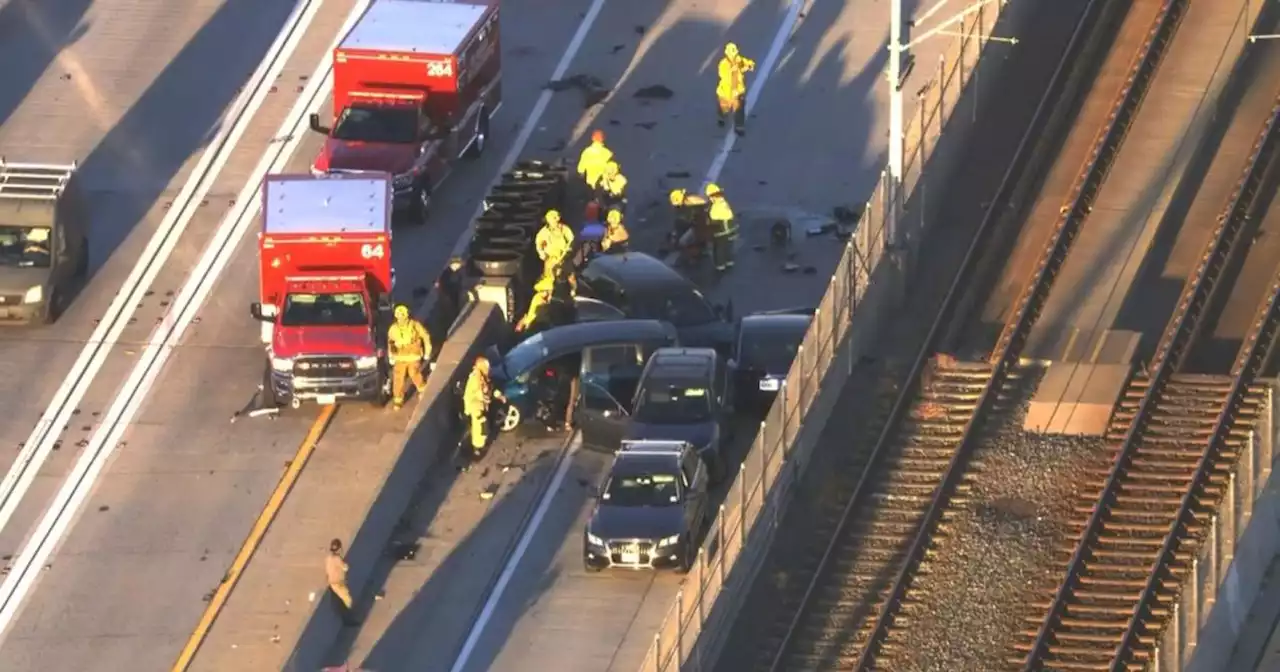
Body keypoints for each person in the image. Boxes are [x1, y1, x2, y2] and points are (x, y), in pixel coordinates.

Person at [387, 304, 433, 409]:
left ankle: (422, 390)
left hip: (413, 355)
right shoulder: (393, 328)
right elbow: (390, 342)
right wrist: (390, 355)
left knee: (414, 373)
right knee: (399, 378)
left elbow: (425, 336)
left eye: (402, 315)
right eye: (399, 315)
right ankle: (398, 400)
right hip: (399, 357)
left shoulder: (415, 325)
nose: (401, 318)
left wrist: (427, 352)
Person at [463, 354, 506, 455]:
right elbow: (480, 393)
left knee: (482, 427)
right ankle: (478, 448)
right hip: (476, 407)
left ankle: (480, 445)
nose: (488, 369)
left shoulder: (482, 377)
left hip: (480, 405)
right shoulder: (475, 379)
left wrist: (498, 395)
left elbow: (489, 389)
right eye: (486, 367)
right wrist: (488, 398)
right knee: (479, 428)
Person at [717, 42, 756, 134]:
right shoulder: (723, 64)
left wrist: (749, 65)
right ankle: (721, 118)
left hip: (737, 92)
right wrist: (732, 70)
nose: (734, 56)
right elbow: (723, 75)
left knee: (739, 109)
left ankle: (739, 127)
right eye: (732, 55)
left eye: (735, 54)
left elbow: (745, 63)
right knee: (723, 106)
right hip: (726, 92)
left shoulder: (738, 60)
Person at [668, 188, 710, 262]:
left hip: (699, 225)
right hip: (694, 223)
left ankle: (696, 251)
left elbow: (700, 220)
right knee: (679, 224)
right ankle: (698, 247)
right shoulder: (684, 204)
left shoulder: (694, 203)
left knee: (683, 242)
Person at [706, 183, 738, 272]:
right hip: (730, 228)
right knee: (728, 246)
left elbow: (712, 219)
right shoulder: (724, 202)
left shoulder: (714, 207)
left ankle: (720, 265)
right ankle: (729, 261)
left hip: (720, 230)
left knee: (719, 248)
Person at [326, 538, 358, 625]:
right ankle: (348, 619)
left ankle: (343, 616)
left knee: (337, 602)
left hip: (331, 583)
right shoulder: (337, 559)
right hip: (338, 583)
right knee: (348, 600)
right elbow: (345, 568)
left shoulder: (329, 558)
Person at [535, 210, 575, 276]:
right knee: (550, 277)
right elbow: (538, 243)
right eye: (553, 219)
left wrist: (567, 249)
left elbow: (571, 239)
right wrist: (542, 253)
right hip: (551, 258)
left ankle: (574, 286)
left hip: (563, 257)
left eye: (556, 219)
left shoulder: (564, 228)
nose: (556, 222)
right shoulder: (544, 232)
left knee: (570, 276)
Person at [435, 256, 466, 327]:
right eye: (459, 264)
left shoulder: (455, 272)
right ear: (454, 264)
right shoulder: (448, 274)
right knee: (451, 316)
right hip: (449, 299)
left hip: (452, 297)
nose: (460, 266)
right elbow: (446, 287)